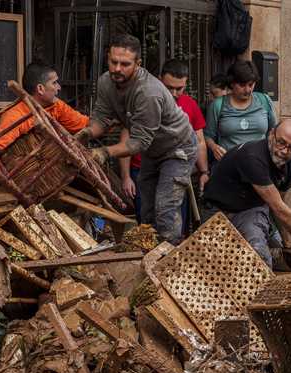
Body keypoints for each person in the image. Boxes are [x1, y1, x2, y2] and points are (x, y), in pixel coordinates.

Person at [77, 34, 197, 245]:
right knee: (147, 209)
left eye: (125, 64)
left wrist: (104, 152)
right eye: (114, 62)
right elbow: (102, 118)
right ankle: (148, 257)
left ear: (138, 64)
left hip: (177, 149)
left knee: (165, 208)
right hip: (153, 150)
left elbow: (139, 142)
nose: (117, 69)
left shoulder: (148, 92)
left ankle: (171, 261)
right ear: (108, 58)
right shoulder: (106, 81)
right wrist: (86, 133)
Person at [202, 119, 291, 269]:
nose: (284, 151)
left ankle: (271, 255)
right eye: (281, 142)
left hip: (251, 210)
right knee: (217, 264)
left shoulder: (290, 164)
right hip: (217, 210)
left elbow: (280, 207)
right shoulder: (253, 157)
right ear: (271, 134)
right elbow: (278, 207)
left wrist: (289, 243)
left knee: (261, 257)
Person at [119, 59, 210, 225]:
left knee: (170, 219)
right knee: (147, 221)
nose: (174, 93)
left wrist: (203, 171)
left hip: (175, 169)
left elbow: (199, 140)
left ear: (186, 83)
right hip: (142, 169)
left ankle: (171, 249)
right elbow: (126, 138)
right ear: (159, 80)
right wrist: (126, 177)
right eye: (169, 88)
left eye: (179, 88)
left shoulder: (190, 104)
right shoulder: (144, 100)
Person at [0, 62, 88, 177]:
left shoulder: (56, 106)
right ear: (40, 89)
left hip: (52, 172)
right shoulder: (15, 115)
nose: (59, 88)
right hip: (26, 175)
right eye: (54, 83)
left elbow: (83, 123)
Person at [205, 60, 277, 158]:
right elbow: (208, 135)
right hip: (229, 163)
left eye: (251, 85)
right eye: (242, 85)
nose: (247, 90)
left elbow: (274, 131)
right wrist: (214, 147)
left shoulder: (264, 101)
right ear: (232, 83)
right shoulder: (218, 105)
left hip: (259, 163)